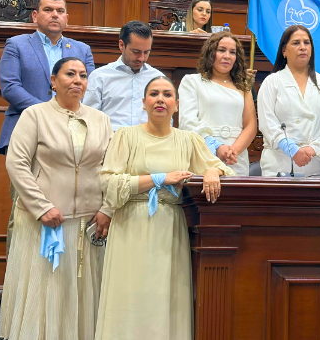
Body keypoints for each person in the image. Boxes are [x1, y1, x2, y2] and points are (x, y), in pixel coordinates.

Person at [95, 76, 235, 340]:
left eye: (167, 94)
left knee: (164, 296)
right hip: (130, 224)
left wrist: (212, 173)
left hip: (169, 225)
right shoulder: (125, 135)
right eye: (154, 94)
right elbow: (108, 182)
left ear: (177, 104)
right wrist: (158, 178)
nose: (161, 99)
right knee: (129, 294)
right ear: (144, 102)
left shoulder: (189, 140)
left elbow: (220, 168)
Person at [0, 58, 113, 340]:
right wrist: (41, 207)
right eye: (70, 74)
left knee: (82, 294)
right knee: (45, 291)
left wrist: (107, 208)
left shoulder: (102, 119)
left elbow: (113, 167)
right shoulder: (34, 115)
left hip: (87, 223)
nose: (77, 80)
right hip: (46, 221)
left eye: (83, 75)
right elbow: (17, 163)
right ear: (53, 80)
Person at [0, 0, 94, 252]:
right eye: (49, 10)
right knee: (25, 209)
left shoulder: (81, 50)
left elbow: (87, 91)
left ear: (67, 17)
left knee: (63, 208)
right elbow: (10, 87)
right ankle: (15, 285)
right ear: (35, 16)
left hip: (70, 140)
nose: (55, 15)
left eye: (60, 11)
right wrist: (47, 113)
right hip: (26, 136)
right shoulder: (17, 44)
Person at [257, 25, 320, 177]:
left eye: (306, 43)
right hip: (279, 162)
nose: (302, 47)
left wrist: (313, 149)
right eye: (296, 43)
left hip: (316, 164)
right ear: (284, 51)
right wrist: (292, 149)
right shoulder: (272, 82)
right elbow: (267, 122)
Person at [179, 32, 257, 176]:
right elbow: (187, 122)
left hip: (235, 159)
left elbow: (251, 125)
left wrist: (233, 151)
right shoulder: (192, 82)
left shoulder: (243, 86)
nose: (227, 56)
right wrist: (216, 147)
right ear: (210, 53)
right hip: (203, 153)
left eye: (232, 52)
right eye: (221, 50)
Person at [84, 20, 166, 131]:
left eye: (146, 52)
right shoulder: (100, 77)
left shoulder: (158, 79)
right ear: (121, 45)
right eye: (136, 51)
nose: (141, 58)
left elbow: (165, 119)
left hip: (148, 142)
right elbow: (90, 119)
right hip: (111, 142)